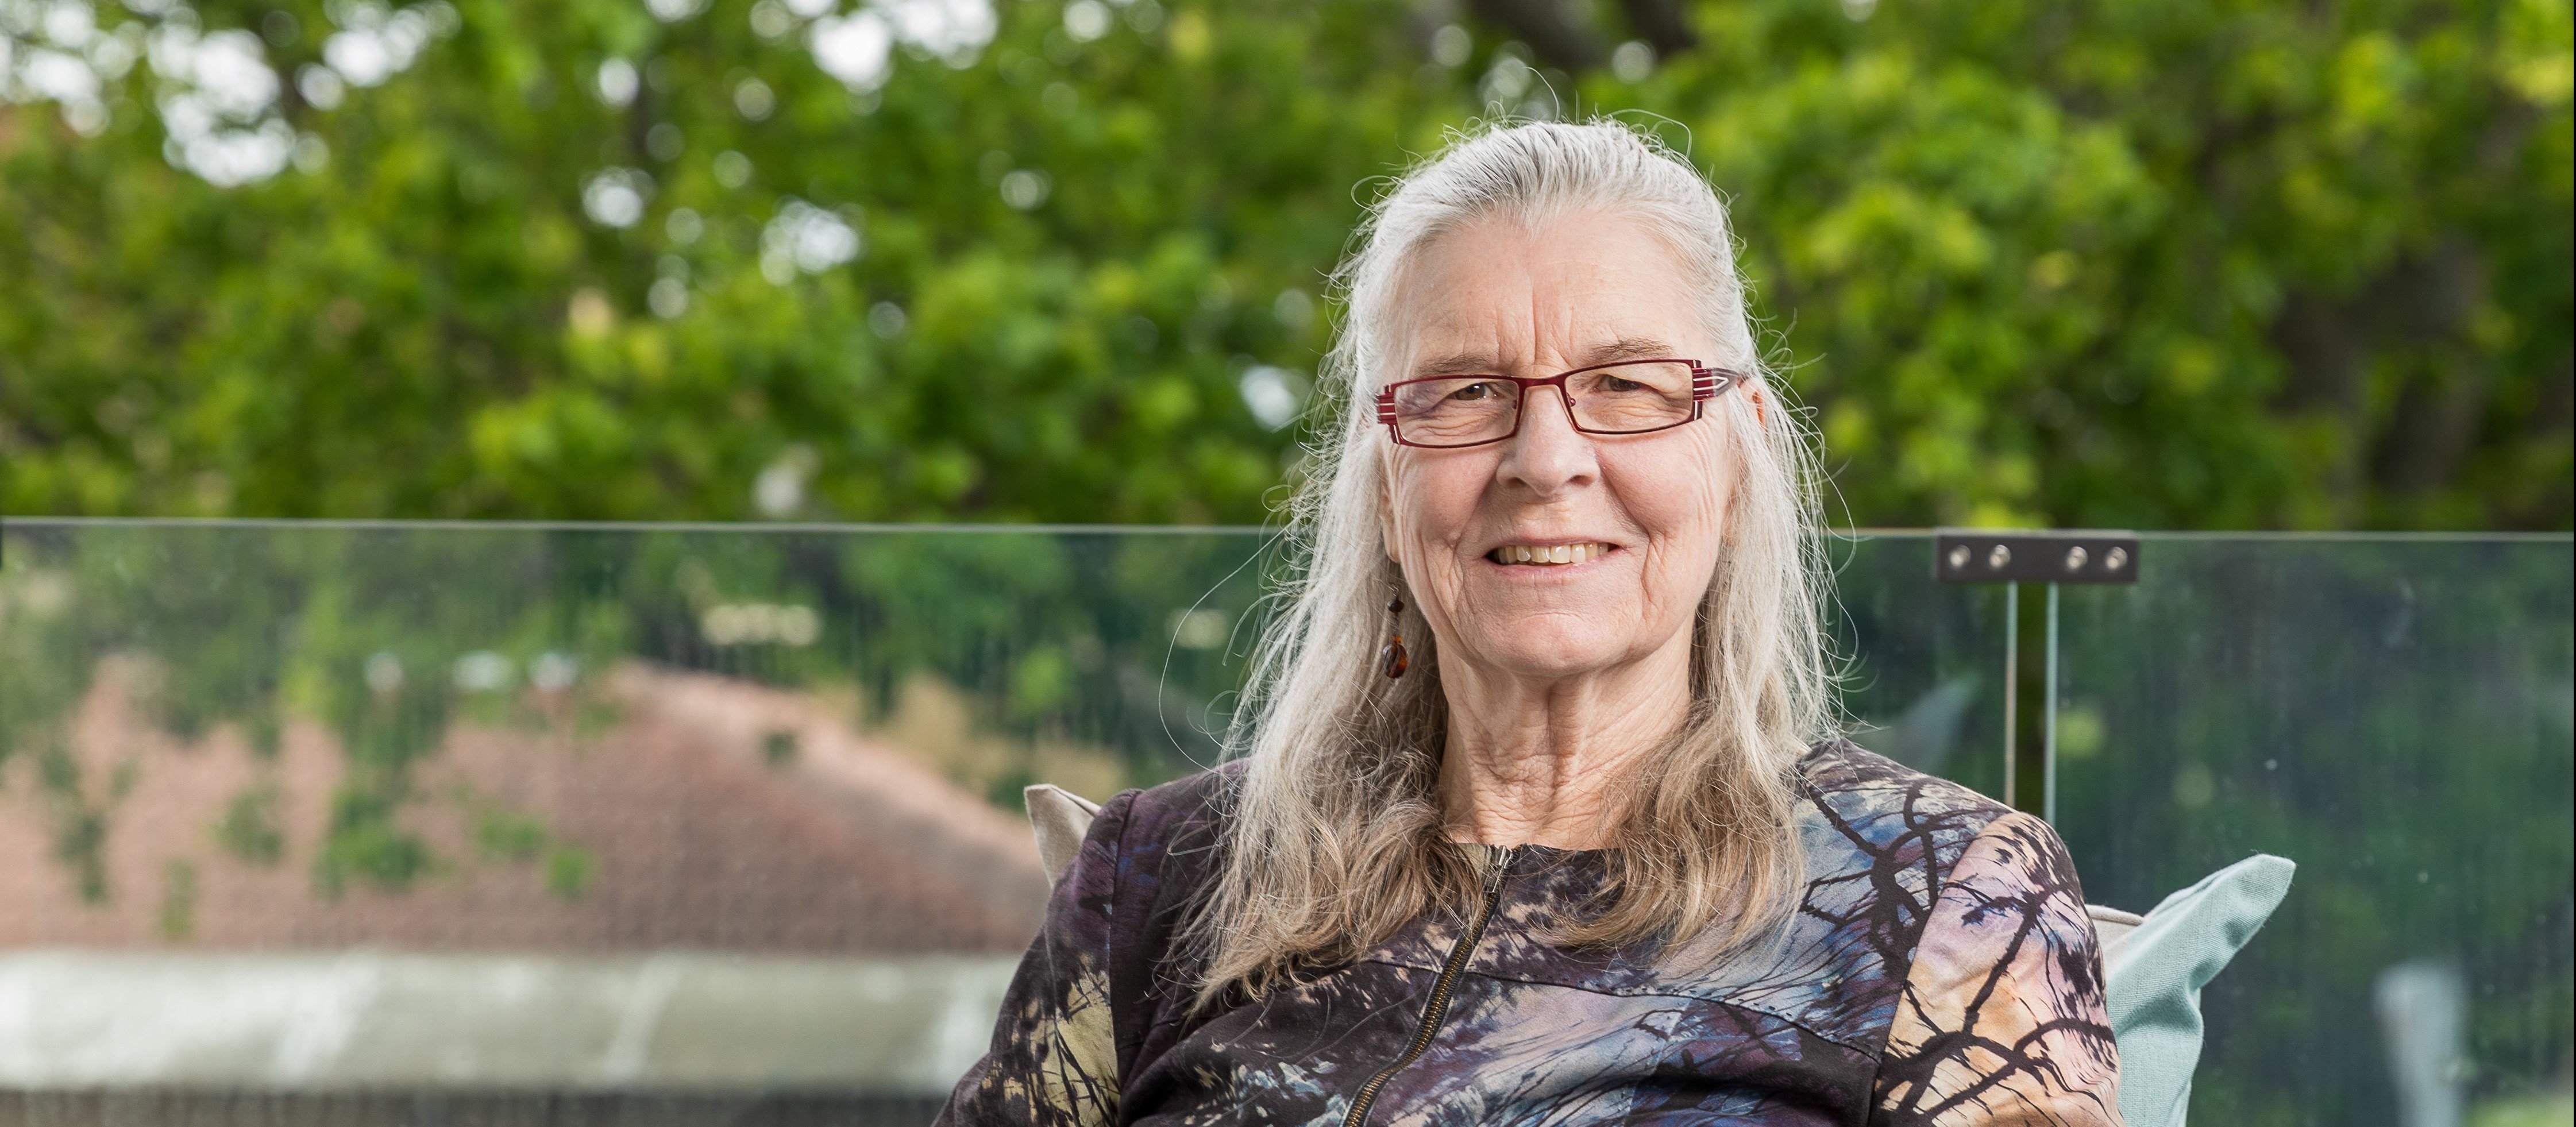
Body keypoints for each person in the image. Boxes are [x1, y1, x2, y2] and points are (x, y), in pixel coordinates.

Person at [936, 120, 2122, 1126]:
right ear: (1385, 482)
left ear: (1739, 447)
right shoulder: (1159, 879)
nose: (1544, 459)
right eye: (1465, 393)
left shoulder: (1935, 893)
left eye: (1625, 385)